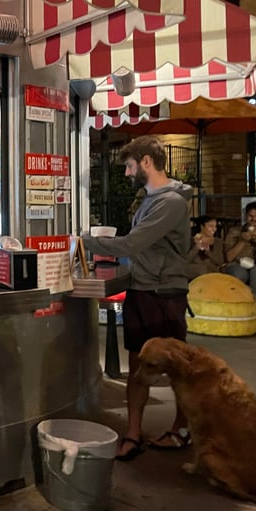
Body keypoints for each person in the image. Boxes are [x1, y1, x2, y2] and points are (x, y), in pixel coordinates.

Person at [82, 135, 193, 460]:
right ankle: (133, 433)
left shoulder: (170, 202)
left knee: (177, 369)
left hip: (165, 293)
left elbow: (132, 244)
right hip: (143, 289)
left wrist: (81, 240)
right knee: (138, 366)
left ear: (146, 162)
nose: (128, 173)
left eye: (130, 166)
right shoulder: (150, 199)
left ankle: (182, 430)